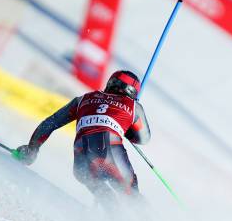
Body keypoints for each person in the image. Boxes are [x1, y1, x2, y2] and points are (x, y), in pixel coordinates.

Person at [16, 70, 151, 206]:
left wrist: (32, 149)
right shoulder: (134, 107)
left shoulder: (83, 99)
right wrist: (127, 128)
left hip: (81, 162)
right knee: (133, 197)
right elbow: (143, 139)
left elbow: (51, 122)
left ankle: (109, 219)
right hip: (111, 156)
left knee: (100, 190)